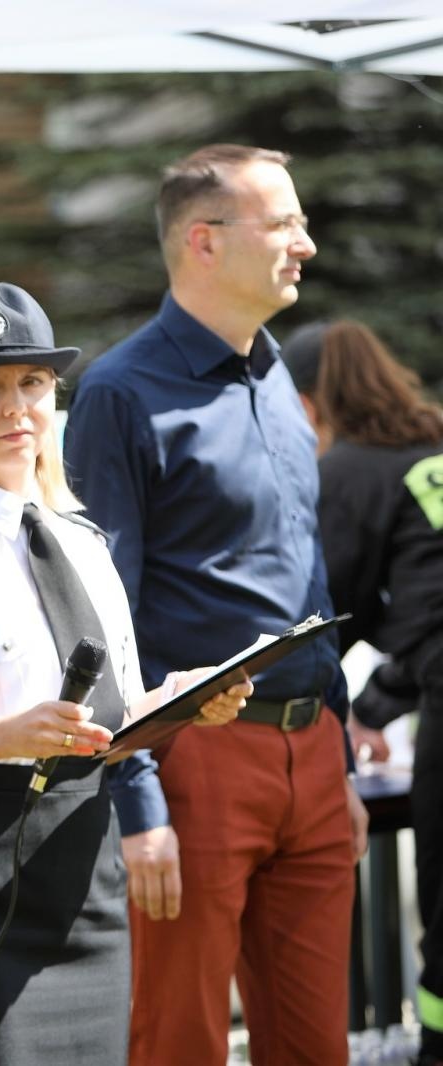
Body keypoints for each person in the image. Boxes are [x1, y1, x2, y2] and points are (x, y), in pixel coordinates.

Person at [0, 281, 249, 1064]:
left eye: (33, 384)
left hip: (86, 867)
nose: (17, 408)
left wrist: (179, 703)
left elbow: (111, 717)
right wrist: (6, 734)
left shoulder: (83, 541)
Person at [64, 144, 367, 1066]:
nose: (305, 244)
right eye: (283, 223)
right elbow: (99, 607)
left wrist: (340, 759)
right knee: (178, 1041)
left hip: (311, 760)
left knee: (316, 1047)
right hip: (193, 760)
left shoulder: (278, 377)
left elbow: (303, 578)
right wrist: (138, 797)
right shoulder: (119, 393)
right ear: (204, 241)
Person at [282, 318, 443, 1066]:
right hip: (428, 683)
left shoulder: (348, 470)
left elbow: (327, 615)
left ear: (311, 404)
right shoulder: (434, 448)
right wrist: (377, 707)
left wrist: (295, 708)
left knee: (441, 901)